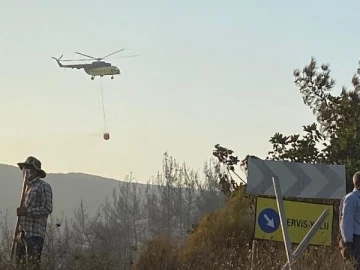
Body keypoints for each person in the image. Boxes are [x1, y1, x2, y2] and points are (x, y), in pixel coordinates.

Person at [14, 156, 53, 269]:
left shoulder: (43, 186)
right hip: (22, 235)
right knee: (19, 266)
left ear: (35, 171)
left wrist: (27, 212)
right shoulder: (26, 188)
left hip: (34, 235)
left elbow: (47, 208)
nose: (25, 171)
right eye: (24, 168)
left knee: (31, 265)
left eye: (28, 168)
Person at [339, 171, 360, 268]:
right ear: (358, 183)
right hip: (356, 240)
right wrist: (347, 243)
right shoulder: (352, 198)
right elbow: (346, 221)